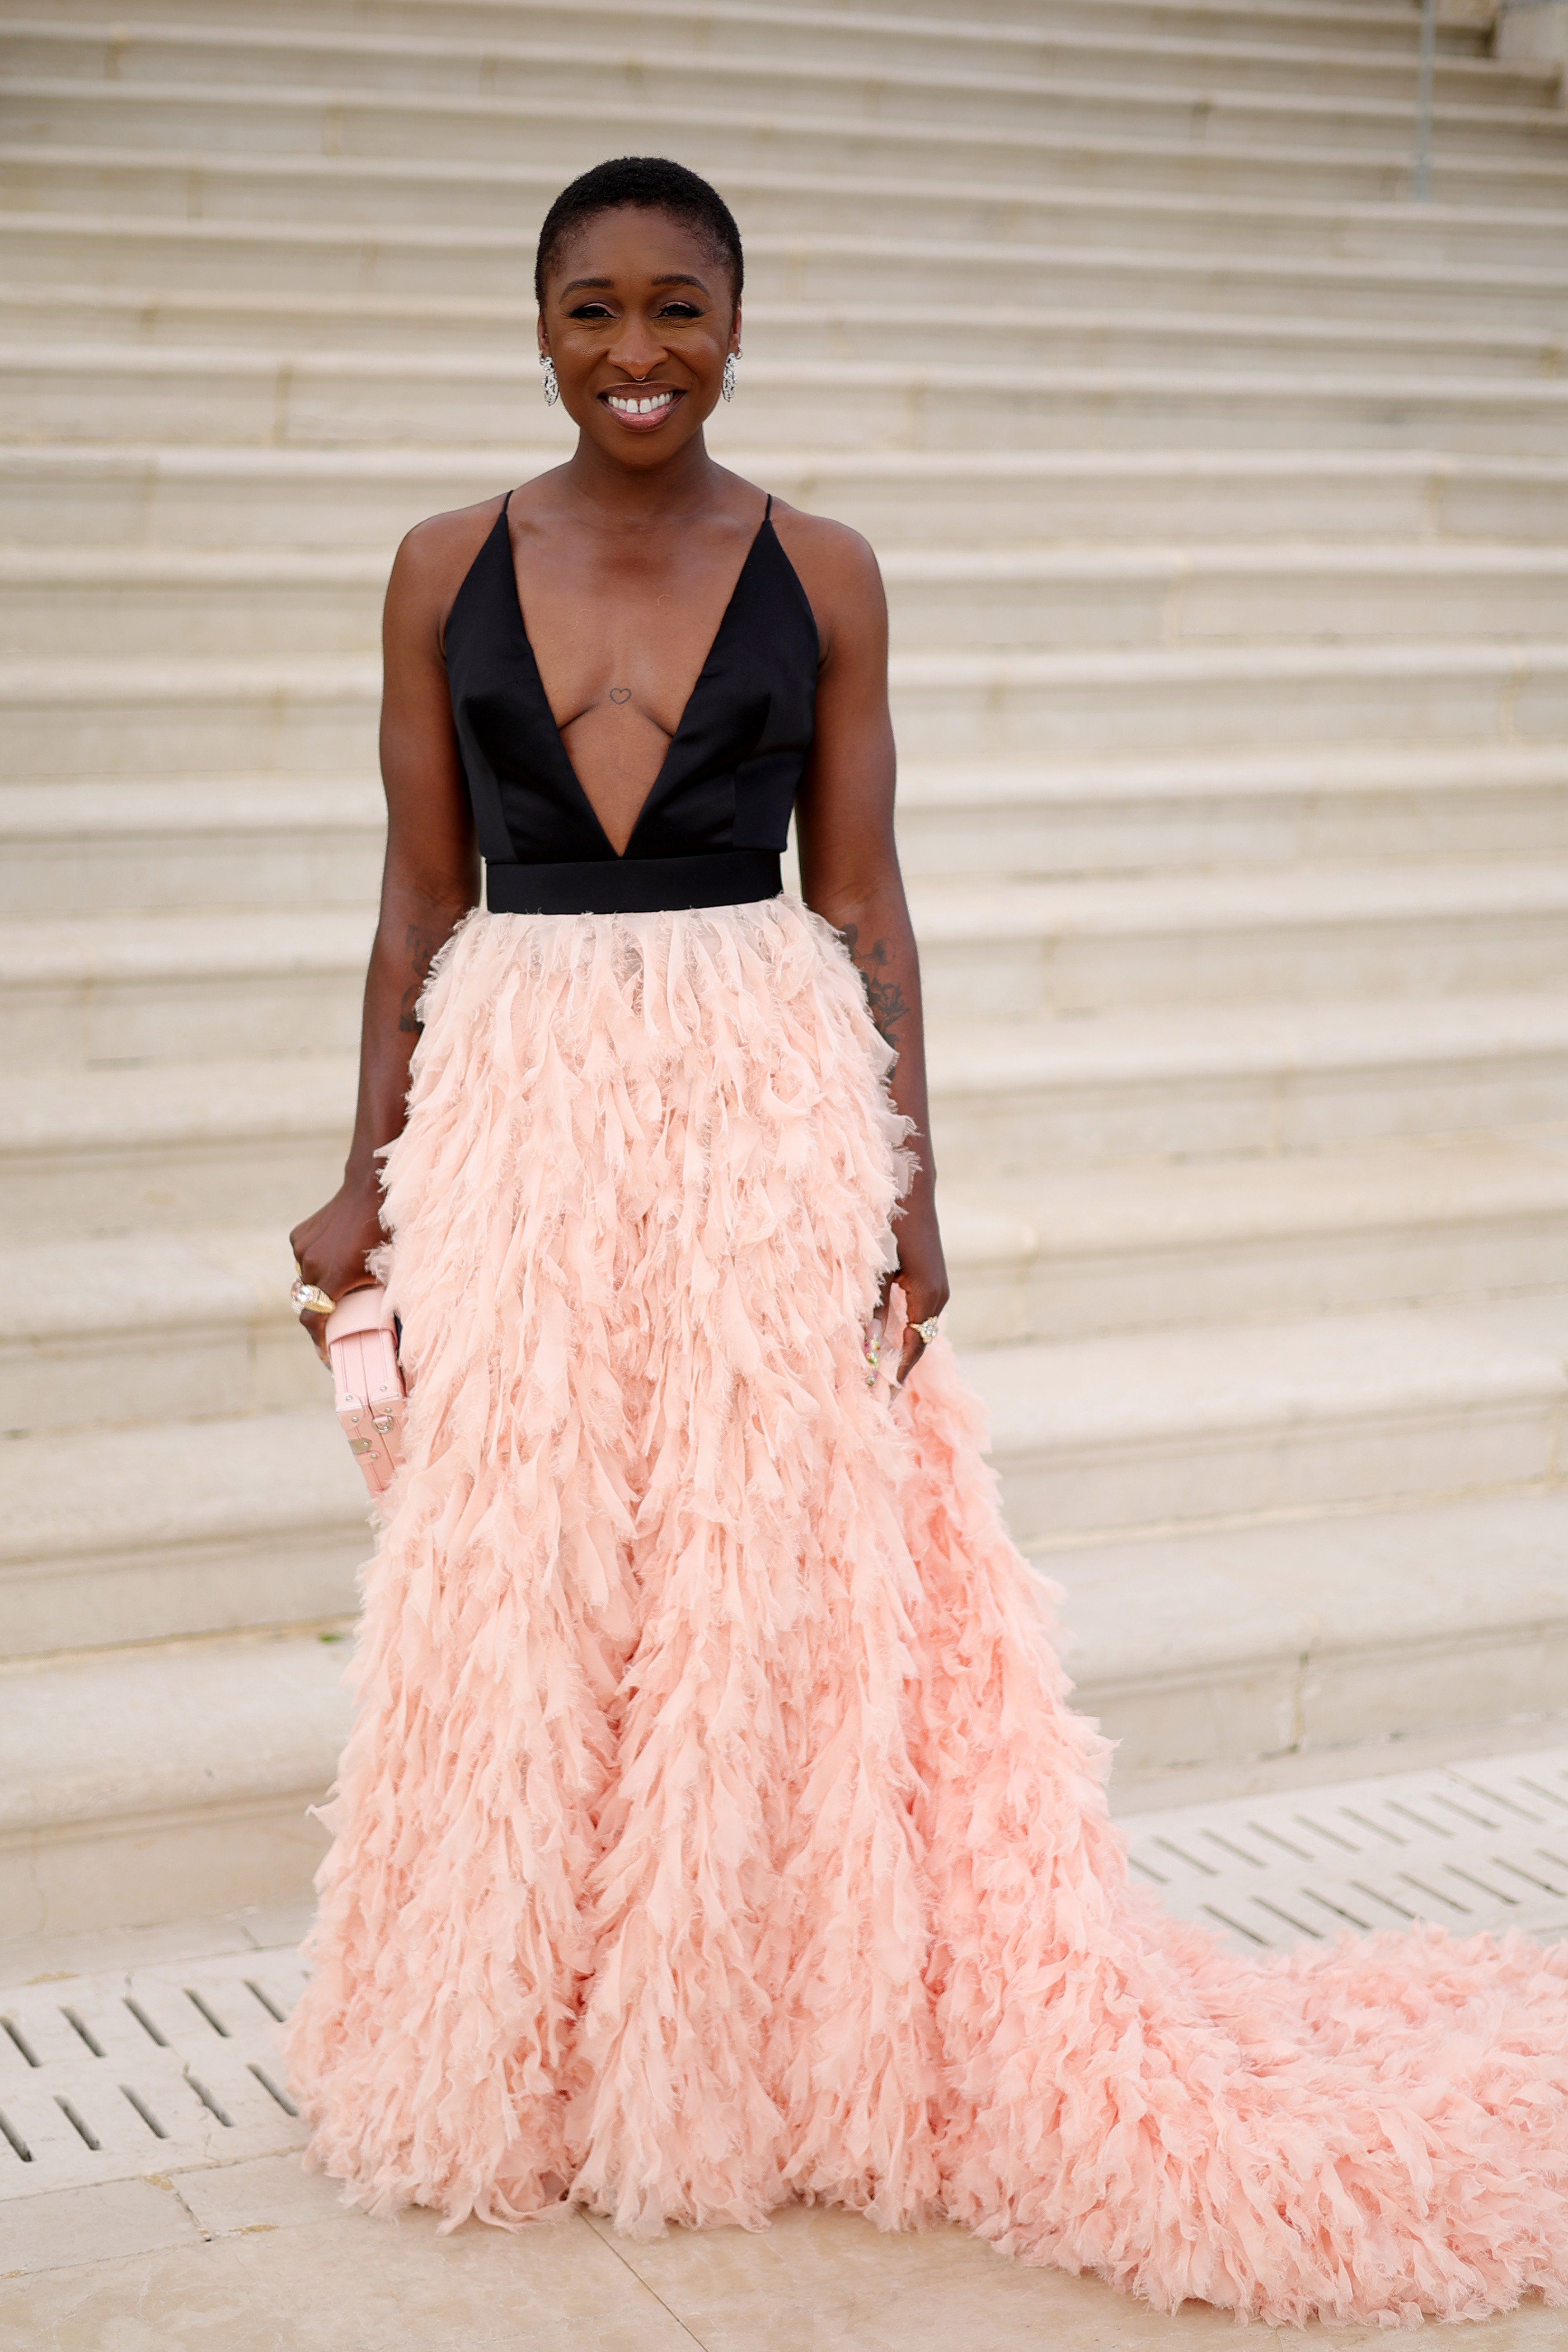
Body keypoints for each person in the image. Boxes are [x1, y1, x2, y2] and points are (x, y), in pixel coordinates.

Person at [284, 158, 1568, 2328]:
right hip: (522, 1097)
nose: (635, 353)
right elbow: (419, 900)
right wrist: (362, 1166)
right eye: (591, 310)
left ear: (737, 324)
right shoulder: (436, 567)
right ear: (535, 326)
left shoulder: (825, 569)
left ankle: (744, 2048)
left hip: (762, 1101)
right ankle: (525, 2042)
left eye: (677, 308)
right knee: (527, 1566)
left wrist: (915, 1180)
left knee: (748, 1572)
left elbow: (864, 893)